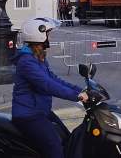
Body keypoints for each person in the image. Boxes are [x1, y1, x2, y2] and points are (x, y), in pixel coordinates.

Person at [12, 17, 88, 158]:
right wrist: (76, 96)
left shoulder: (37, 57)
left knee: (67, 139)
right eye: (48, 33)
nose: (50, 37)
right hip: (28, 115)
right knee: (55, 147)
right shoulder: (26, 62)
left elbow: (53, 79)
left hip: (40, 111)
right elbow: (47, 85)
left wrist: (80, 90)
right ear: (38, 35)